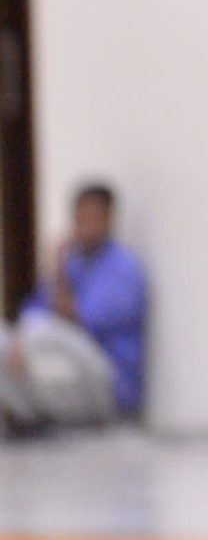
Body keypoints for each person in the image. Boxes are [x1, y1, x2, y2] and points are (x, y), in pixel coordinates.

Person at [0, 182, 146, 431]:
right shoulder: (75, 263)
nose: (86, 226)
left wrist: (58, 268)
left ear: (109, 219)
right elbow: (33, 310)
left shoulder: (123, 269)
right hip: (70, 366)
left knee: (38, 331)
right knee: (8, 338)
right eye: (81, 218)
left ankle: (87, 421)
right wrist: (18, 341)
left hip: (110, 380)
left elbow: (75, 321)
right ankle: (27, 419)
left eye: (93, 218)